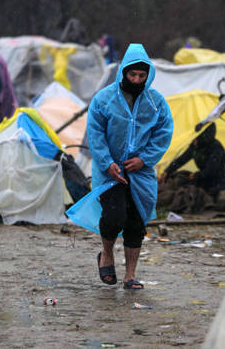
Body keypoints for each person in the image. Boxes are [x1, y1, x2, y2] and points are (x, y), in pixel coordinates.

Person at [87, 43, 173, 290]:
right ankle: (106, 255)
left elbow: (163, 133)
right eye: (132, 74)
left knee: (136, 222)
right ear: (123, 72)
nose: (136, 79)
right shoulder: (103, 99)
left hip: (141, 173)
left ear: (148, 75)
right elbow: (95, 134)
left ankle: (130, 275)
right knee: (114, 216)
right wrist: (107, 162)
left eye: (141, 76)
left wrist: (144, 159)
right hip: (110, 172)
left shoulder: (156, 102)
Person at [160, 122, 225, 211]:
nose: (193, 139)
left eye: (197, 136)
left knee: (224, 205)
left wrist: (197, 175)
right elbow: (181, 160)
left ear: (204, 136)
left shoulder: (216, 147)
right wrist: (167, 171)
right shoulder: (195, 148)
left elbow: (212, 169)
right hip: (204, 183)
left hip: (220, 183)